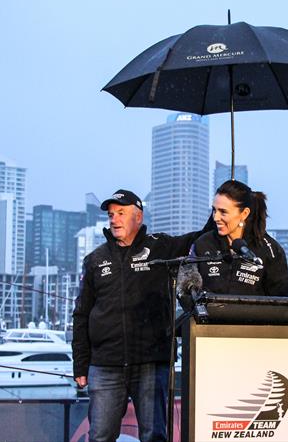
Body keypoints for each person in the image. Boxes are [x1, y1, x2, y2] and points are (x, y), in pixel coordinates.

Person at [72, 189, 211, 442]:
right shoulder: (95, 259)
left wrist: (219, 209)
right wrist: (80, 365)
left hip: (150, 362)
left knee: (154, 436)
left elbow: (199, 238)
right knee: (100, 436)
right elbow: (81, 315)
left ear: (138, 216)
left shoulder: (161, 247)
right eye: (111, 214)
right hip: (105, 364)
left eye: (121, 213)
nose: (114, 219)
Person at [187, 180, 288, 296]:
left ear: (244, 213)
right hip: (208, 314)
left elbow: (283, 302)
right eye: (214, 210)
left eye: (223, 212)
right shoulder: (203, 243)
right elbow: (187, 293)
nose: (216, 217)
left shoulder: (271, 250)